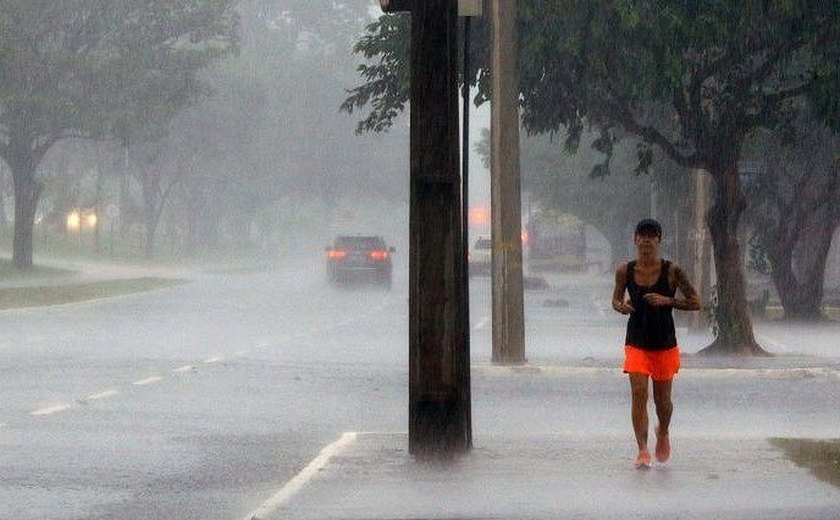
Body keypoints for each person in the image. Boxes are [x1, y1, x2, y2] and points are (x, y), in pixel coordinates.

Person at [612, 218, 700, 468]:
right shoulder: (625, 271)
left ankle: (663, 431)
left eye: (652, 236)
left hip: (664, 343)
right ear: (635, 240)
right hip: (636, 342)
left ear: (659, 241)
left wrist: (667, 301)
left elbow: (696, 301)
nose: (647, 241)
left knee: (664, 403)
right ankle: (642, 449)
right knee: (639, 393)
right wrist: (622, 307)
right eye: (642, 236)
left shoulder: (673, 271)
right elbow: (616, 300)